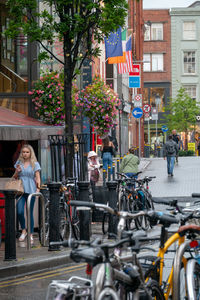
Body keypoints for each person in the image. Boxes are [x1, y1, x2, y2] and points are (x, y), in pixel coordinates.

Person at [13, 144, 41, 244]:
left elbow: (37, 177)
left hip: (31, 190)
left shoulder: (35, 163)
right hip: (20, 190)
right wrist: (17, 171)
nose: (25, 154)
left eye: (27, 152)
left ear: (30, 153)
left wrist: (38, 189)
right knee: (20, 211)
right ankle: (24, 230)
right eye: (23, 152)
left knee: (29, 212)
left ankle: (30, 234)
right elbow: (15, 177)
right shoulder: (19, 163)